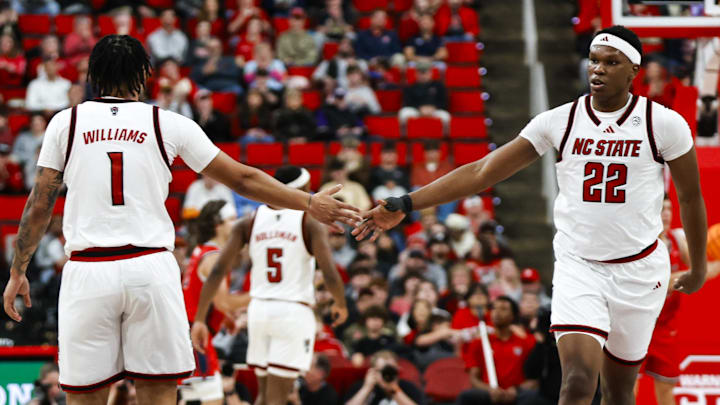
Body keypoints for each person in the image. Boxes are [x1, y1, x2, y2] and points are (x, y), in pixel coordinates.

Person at [355, 26, 708, 405]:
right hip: (580, 266)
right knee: (575, 381)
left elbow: (689, 198)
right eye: (593, 60)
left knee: (620, 392)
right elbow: (482, 171)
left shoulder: (664, 123)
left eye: (611, 62)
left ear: (633, 71)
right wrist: (407, 203)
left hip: (638, 269)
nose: (598, 69)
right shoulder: (559, 120)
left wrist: (699, 266)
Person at [2, 35, 359, 405]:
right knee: (158, 394)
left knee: (84, 399)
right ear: (144, 75)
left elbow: (40, 203)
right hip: (150, 268)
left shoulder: (65, 123)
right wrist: (308, 202)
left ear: (93, 75)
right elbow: (243, 178)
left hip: (88, 271)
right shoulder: (167, 123)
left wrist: (18, 270)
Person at [190, 166, 349, 405]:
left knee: (264, 395)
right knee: (277, 398)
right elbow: (330, 274)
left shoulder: (248, 222)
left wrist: (200, 319)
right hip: (292, 312)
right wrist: (341, 304)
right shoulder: (309, 221)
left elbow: (216, 275)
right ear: (304, 189)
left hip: (259, 312)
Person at [179, 200, 250, 404]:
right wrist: (260, 293)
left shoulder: (201, 250)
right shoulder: (214, 258)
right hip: (196, 339)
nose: (236, 225)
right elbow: (224, 303)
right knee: (213, 399)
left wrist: (225, 319)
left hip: (189, 335)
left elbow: (204, 298)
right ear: (217, 225)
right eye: (231, 220)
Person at [457, 296, 538, 405]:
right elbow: (473, 378)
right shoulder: (478, 343)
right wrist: (490, 390)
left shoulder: (527, 343)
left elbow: (534, 379)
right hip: (489, 394)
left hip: (517, 395)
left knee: (534, 396)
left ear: (513, 316)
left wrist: (516, 390)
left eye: (504, 309)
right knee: (466, 396)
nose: (497, 312)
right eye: (494, 308)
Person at [344, 350, 425, 405]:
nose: (387, 375)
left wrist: (395, 390)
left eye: (391, 370)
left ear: (398, 370)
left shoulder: (408, 387)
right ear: (373, 371)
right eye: (382, 371)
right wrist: (367, 388)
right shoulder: (361, 387)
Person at [398, 60, 450, 128]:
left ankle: (445, 138)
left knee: (445, 116)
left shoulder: (439, 86)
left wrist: (433, 107)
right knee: (404, 113)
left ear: (431, 72)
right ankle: (404, 137)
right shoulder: (410, 87)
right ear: (416, 73)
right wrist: (420, 108)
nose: (423, 75)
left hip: (435, 110)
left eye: (425, 72)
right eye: (420, 72)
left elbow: (444, 102)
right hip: (417, 110)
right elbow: (407, 102)